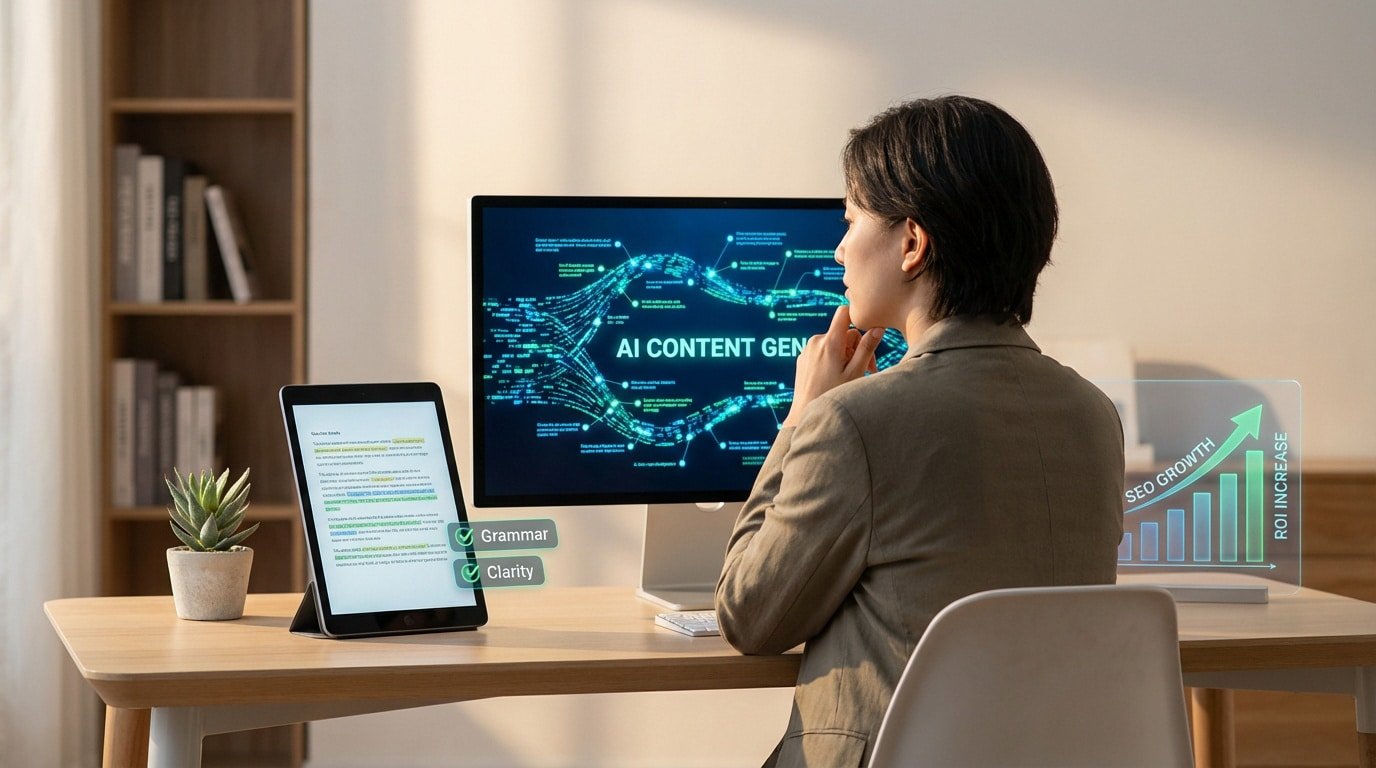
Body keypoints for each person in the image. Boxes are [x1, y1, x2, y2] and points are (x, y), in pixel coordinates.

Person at [714, 95, 1125, 767]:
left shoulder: (851, 422)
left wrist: (802, 415)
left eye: (851, 221)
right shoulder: (1093, 414)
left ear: (911, 243)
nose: (839, 249)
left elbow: (747, 616)